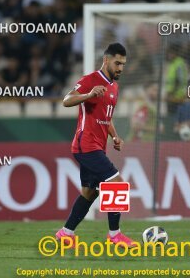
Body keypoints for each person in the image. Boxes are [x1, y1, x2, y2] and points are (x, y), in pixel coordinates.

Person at [55, 43, 137, 248]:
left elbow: (106, 118)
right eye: (117, 63)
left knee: (90, 192)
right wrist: (89, 94)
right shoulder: (90, 80)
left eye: (123, 64)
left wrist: (115, 137)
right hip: (85, 145)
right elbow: (67, 100)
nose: (120, 68)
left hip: (97, 146)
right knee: (116, 184)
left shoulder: (114, 87)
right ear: (106, 60)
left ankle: (65, 233)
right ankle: (115, 235)